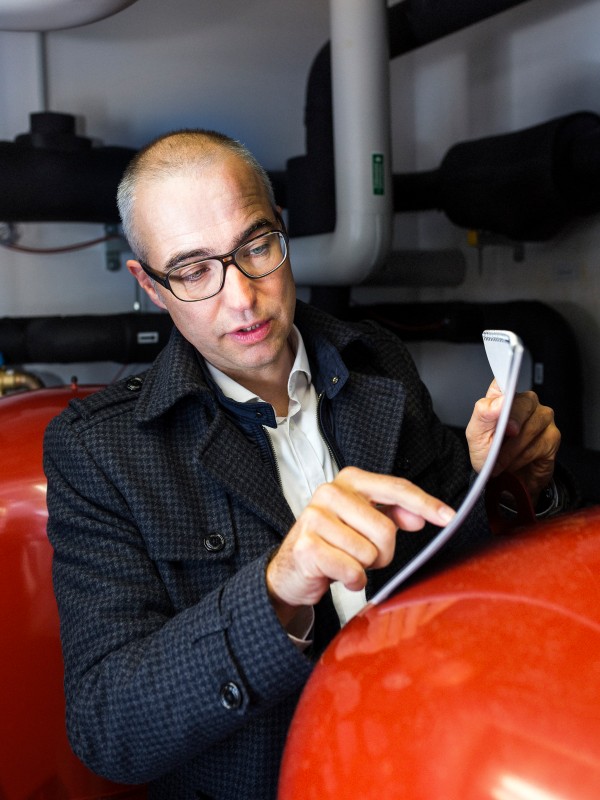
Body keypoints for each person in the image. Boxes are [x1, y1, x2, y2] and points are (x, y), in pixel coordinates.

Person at [44, 129, 562, 800]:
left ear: (281, 232)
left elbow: (449, 573)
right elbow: (108, 728)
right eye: (194, 270)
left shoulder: (377, 358)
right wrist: (275, 593)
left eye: (256, 247)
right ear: (150, 284)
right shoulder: (97, 450)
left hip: (425, 754)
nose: (241, 298)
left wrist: (507, 483)